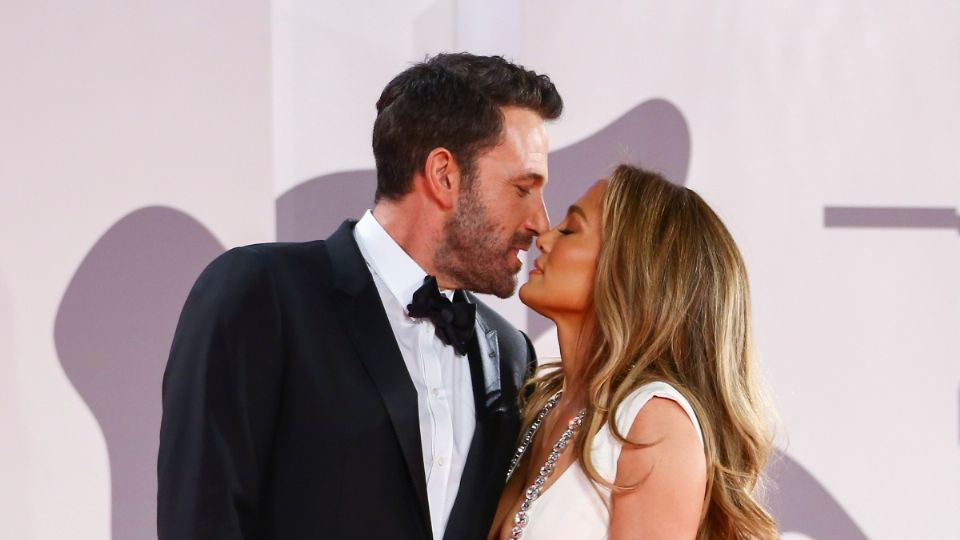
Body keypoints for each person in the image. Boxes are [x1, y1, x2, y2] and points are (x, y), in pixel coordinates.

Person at [158, 53, 562, 540]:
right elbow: (202, 518)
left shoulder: (510, 353)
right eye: (522, 188)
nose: (541, 222)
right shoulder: (261, 294)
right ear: (444, 175)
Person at [490, 164, 778, 539]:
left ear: (628, 270)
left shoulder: (654, 422)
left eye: (570, 230)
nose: (543, 239)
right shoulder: (541, 405)